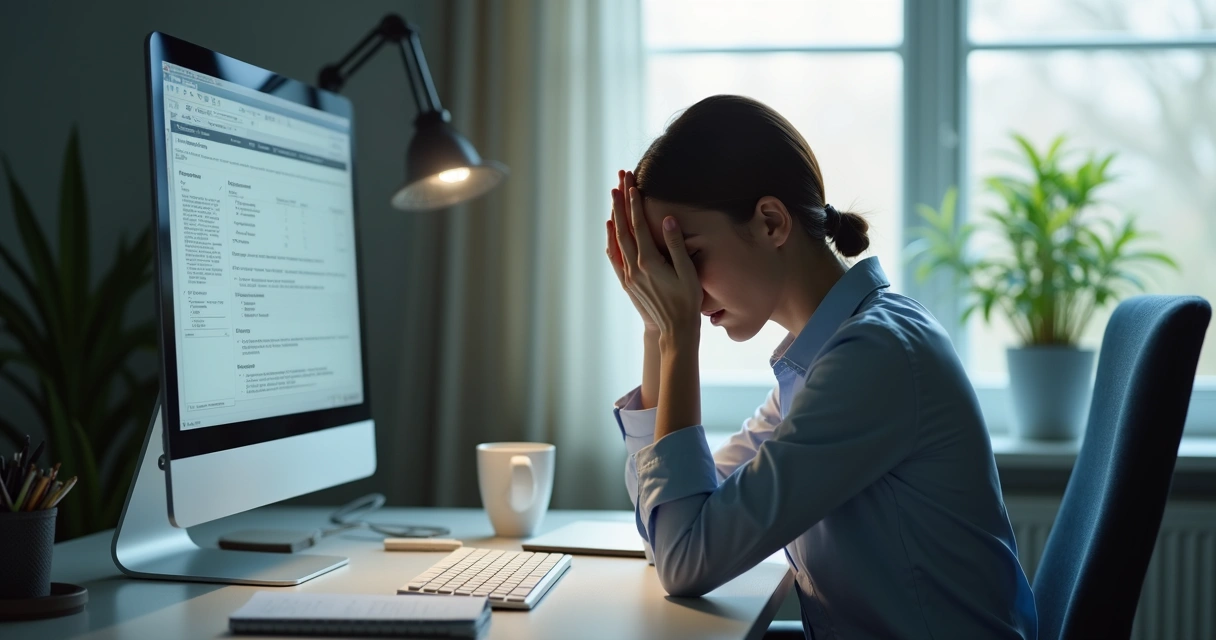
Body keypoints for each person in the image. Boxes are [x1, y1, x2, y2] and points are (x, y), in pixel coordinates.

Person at [605, 95, 1037, 640]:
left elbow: (685, 558)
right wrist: (655, 325)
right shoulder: (824, 358)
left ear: (770, 222)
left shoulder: (873, 360)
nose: (682, 293)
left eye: (687, 256)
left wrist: (677, 338)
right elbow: (673, 525)